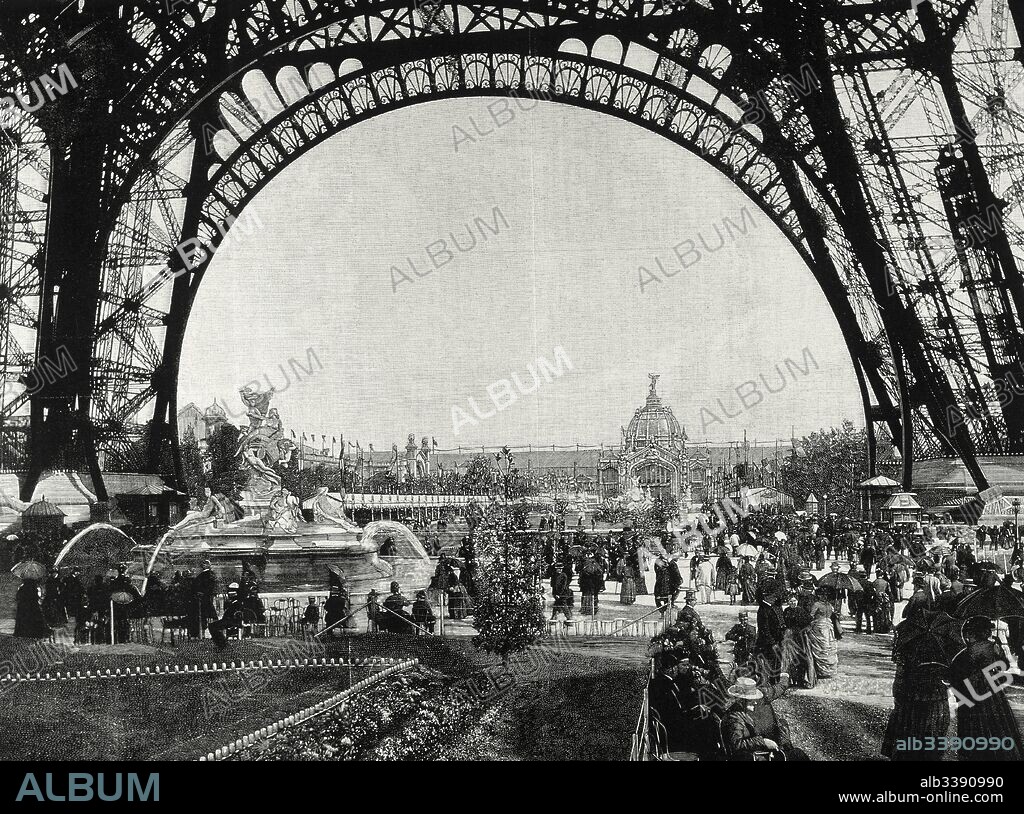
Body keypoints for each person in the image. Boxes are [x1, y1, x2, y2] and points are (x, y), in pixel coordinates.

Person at [949, 616, 1024, 761]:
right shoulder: (993, 647)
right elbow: (1005, 665)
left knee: (972, 720)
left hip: (970, 689)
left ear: (972, 633)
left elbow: (955, 672)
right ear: (984, 632)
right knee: (996, 720)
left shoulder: (967, 651)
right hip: (990, 686)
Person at [720, 681, 785, 760]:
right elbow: (737, 745)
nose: (755, 702)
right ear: (741, 700)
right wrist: (763, 742)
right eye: (751, 700)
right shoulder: (734, 718)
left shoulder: (742, 713)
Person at [806, 588, 839, 680]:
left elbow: (811, 615)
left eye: (824, 595)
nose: (823, 596)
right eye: (822, 595)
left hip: (821, 627)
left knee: (822, 647)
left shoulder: (817, 604)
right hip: (827, 627)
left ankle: (823, 671)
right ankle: (826, 670)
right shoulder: (829, 605)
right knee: (826, 646)